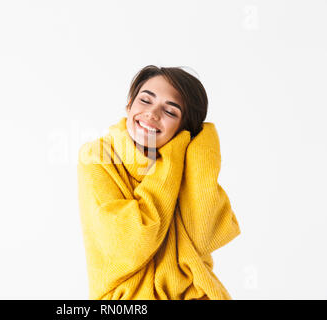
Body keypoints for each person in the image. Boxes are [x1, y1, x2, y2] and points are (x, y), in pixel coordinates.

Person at [77, 65, 241, 300]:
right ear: (129, 105)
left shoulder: (189, 162)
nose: (152, 114)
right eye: (145, 100)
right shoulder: (97, 156)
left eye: (171, 112)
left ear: (185, 131)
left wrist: (203, 144)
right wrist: (170, 164)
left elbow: (205, 236)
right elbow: (132, 242)